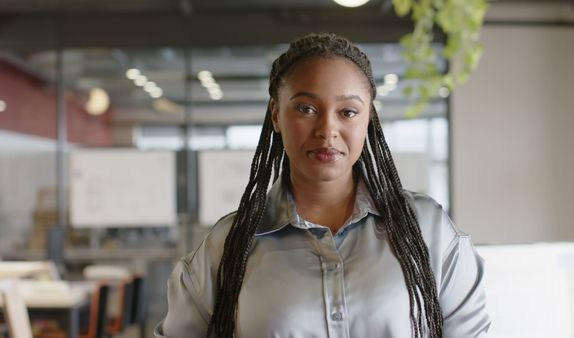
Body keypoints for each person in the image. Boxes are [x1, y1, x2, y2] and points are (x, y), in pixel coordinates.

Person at [155, 33, 490, 338]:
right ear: (275, 114)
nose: (327, 129)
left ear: (368, 118)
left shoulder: (427, 230)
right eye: (306, 108)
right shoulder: (226, 248)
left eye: (347, 112)